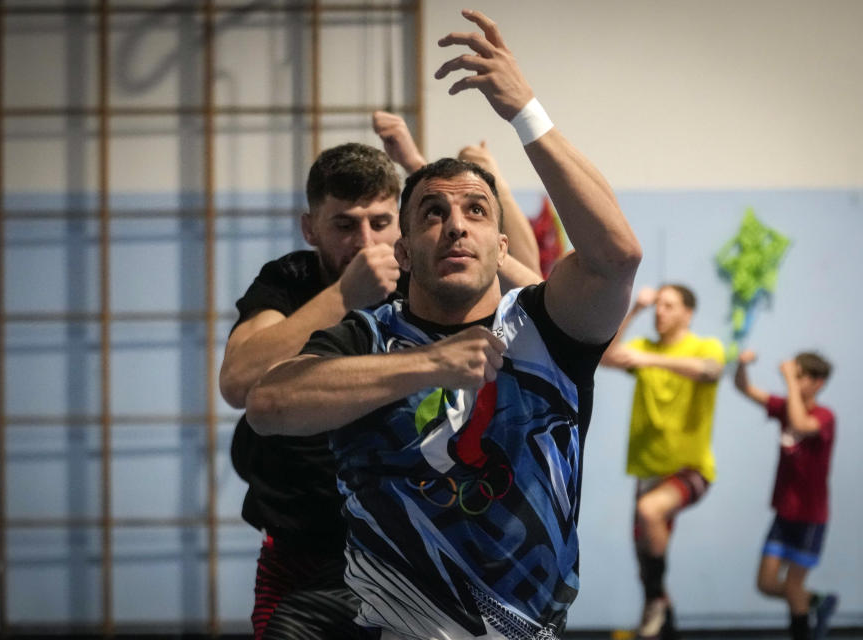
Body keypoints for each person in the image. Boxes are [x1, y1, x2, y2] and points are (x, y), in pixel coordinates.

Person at [244, 8, 642, 639]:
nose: (455, 224)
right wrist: (427, 365)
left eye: (475, 211)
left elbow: (617, 254)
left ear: (501, 244)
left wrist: (525, 112)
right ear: (402, 253)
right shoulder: (368, 338)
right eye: (432, 213)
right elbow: (268, 403)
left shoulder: (545, 329)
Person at [220, 115, 542, 637]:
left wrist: (452, 176)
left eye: (378, 221)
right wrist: (343, 296)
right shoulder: (291, 278)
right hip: (301, 537)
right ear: (311, 230)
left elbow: (525, 289)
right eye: (344, 224)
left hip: (407, 544)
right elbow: (238, 382)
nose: (364, 240)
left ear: (401, 227)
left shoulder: (423, 271)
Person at [600, 284, 725, 640]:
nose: (660, 312)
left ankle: (657, 603)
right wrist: (634, 311)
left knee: (650, 511)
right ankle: (661, 620)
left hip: (690, 468)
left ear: (688, 313)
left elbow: (711, 371)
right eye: (658, 306)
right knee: (645, 561)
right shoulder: (643, 346)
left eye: (669, 306)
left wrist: (651, 360)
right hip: (647, 470)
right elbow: (608, 356)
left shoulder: (704, 346)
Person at [734, 350, 838, 640]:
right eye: (796, 374)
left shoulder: (825, 416)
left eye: (802, 376)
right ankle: (815, 601)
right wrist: (741, 365)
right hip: (785, 513)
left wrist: (789, 382)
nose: (794, 380)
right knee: (766, 584)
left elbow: (802, 425)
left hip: (810, 516)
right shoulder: (784, 407)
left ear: (818, 383)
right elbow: (744, 388)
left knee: (793, 587)